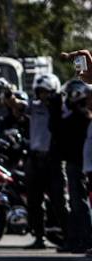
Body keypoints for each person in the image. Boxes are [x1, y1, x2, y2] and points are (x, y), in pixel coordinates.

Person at [13, 73, 69, 249]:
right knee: (34, 201)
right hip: (35, 159)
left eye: (46, 92)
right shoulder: (34, 107)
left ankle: (70, 236)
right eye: (40, 92)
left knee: (59, 201)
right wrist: (9, 95)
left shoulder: (61, 109)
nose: (43, 95)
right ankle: (39, 236)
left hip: (53, 160)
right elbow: (17, 107)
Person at [52, 79, 92, 252]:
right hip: (75, 164)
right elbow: (56, 129)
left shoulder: (83, 117)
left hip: (81, 165)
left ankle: (86, 240)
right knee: (75, 204)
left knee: (80, 204)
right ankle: (75, 240)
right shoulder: (73, 115)